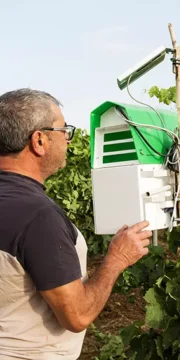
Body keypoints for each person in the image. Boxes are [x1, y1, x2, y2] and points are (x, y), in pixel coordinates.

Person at [0, 88, 151, 360]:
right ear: (39, 141)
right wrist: (117, 258)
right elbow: (77, 315)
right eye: (63, 130)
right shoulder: (38, 217)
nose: (68, 140)